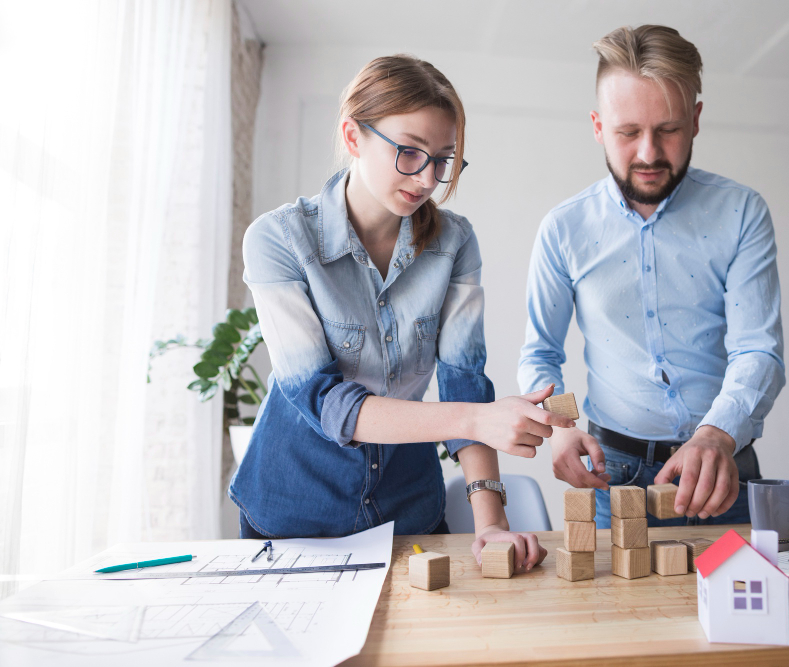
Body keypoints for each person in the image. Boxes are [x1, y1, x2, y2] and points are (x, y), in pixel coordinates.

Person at [230, 55, 560, 572]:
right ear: (353, 135)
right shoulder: (278, 240)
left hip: (408, 506)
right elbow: (325, 402)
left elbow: (463, 381)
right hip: (294, 510)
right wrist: (480, 419)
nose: (428, 178)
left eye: (444, 158)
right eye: (409, 152)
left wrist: (491, 522)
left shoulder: (454, 242)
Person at [518, 25, 785, 529]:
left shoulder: (742, 212)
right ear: (598, 126)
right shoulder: (563, 228)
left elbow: (759, 350)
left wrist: (716, 435)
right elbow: (542, 354)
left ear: (697, 120)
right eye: (627, 132)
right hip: (612, 474)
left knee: (740, 606)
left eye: (669, 129)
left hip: (722, 468)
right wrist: (559, 426)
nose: (648, 153)